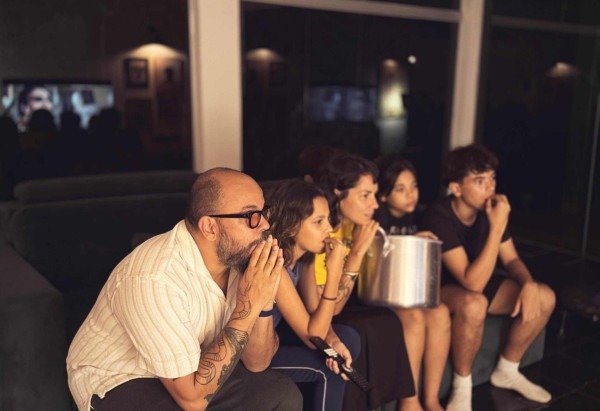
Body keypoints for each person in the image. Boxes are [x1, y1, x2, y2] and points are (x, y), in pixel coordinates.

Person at [66, 168, 302, 411]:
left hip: (192, 367)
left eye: (264, 212)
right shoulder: (154, 278)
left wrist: (262, 301)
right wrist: (248, 305)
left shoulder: (241, 260)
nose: (265, 225)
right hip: (121, 377)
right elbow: (193, 401)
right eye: (251, 215)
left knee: (282, 394)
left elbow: (257, 363)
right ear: (210, 227)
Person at [421, 144, 556, 411]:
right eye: (480, 181)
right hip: (441, 287)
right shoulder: (438, 216)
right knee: (474, 303)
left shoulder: (489, 210)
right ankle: (462, 386)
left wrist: (528, 284)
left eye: (492, 178)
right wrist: (496, 227)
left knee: (545, 296)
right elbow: (471, 283)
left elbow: (512, 260)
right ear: (457, 188)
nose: (490, 187)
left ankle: (508, 369)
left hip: (478, 282)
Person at [300, 153, 416, 411]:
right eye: (365, 195)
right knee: (356, 332)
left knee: (388, 319)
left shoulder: (355, 225)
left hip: (335, 307)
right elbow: (328, 310)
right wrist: (356, 255)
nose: (374, 204)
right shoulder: (321, 232)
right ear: (338, 193)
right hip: (312, 315)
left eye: (374, 195)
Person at [267, 179, 361, 411]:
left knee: (347, 338)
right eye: (318, 222)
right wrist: (334, 273)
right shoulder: (275, 264)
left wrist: (334, 342)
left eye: (327, 219)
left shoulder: (304, 258)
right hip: (251, 356)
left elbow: (314, 312)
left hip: (276, 338)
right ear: (291, 226)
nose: (329, 229)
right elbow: (313, 336)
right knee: (329, 369)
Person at [374, 156, 450, 411]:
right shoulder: (376, 216)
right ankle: (409, 401)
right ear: (383, 195)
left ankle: (432, 399)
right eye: (400, 189)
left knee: (440, 312)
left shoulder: (421, 215)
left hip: (408, 290)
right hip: (380, 291)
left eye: (414, 186)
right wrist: (411, 242)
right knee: (415, 318)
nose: (411, 194)